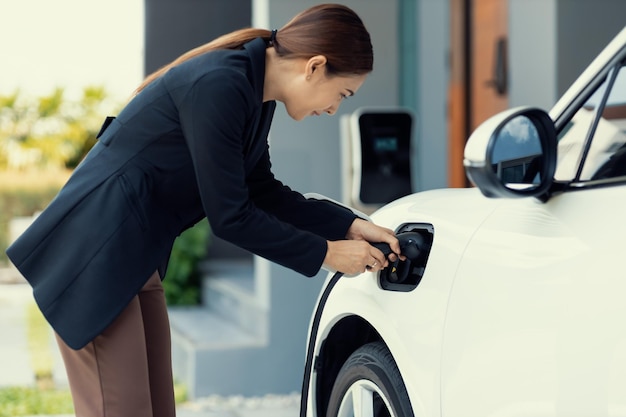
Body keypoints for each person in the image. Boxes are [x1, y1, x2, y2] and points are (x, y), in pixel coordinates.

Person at [6, 3, 401, 417]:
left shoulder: (253, 92)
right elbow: (231, 216)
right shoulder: (221, 84)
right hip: (94, 255)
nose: (335, 108)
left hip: (135, 258)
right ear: (315, 66)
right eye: (342, 94)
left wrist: (350, 226)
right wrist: (328, 254)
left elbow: (262, 191)